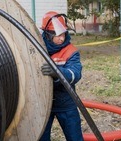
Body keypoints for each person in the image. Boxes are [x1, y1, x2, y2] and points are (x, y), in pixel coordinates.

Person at [39, 11, 84, 141]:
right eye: (57, 35)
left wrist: (57, 72)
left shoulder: (71, 51)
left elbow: (76, 74)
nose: (62, 38)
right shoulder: (38, 48)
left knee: (74, 137)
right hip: (45, 102)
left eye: (63, 34)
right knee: (41, 137)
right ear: (47, 34)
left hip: (66, 101)